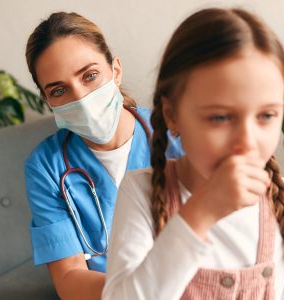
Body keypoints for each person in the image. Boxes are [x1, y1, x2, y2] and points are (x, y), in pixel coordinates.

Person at [103, 7, 284, 300]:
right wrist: (200, 213)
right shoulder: (140, 193)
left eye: (266, 115)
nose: (247, 141)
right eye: (219, 118)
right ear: (172, 115)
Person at [24, 12, 183, 300]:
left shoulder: (176, 133)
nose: (81, 98)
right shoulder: (46, 166)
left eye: (90, 76)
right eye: (59, 90)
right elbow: (70, 277)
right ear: (48, 101)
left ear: (116, 70)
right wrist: (138, 293)